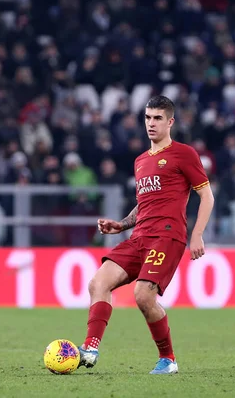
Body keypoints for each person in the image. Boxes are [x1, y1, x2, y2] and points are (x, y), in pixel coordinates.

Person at [78, 96, 215, 374]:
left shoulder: (184, 154)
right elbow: (145, 202)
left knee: (143, 296)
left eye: (157, 118)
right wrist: (121, 225)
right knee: (98, 282)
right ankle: (90, 349)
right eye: (147, 117)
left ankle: (168, 359)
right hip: (139, 237)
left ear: (170, 122)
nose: (151, 124)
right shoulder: (141, 161)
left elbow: (206, 195)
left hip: (167, 236)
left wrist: (197, 235)